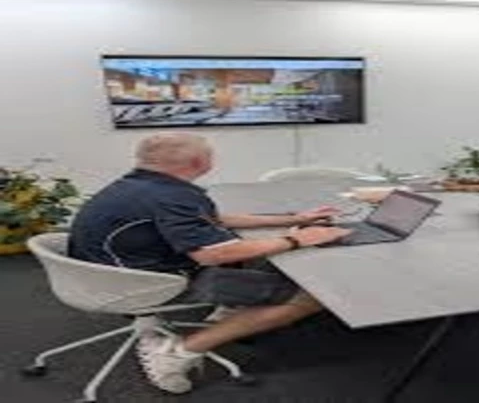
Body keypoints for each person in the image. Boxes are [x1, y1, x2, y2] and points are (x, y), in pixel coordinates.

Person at [68, 132, 353, 394]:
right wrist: (296, 240)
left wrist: (294, 219)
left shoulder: (142, 185)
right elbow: (212, 255)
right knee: (313, 294)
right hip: (147, 282)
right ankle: (177, 353)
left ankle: (232, 312)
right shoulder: (173, 197)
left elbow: (211, 220)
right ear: (200, 162)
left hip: (105, 273)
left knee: (258, 250)